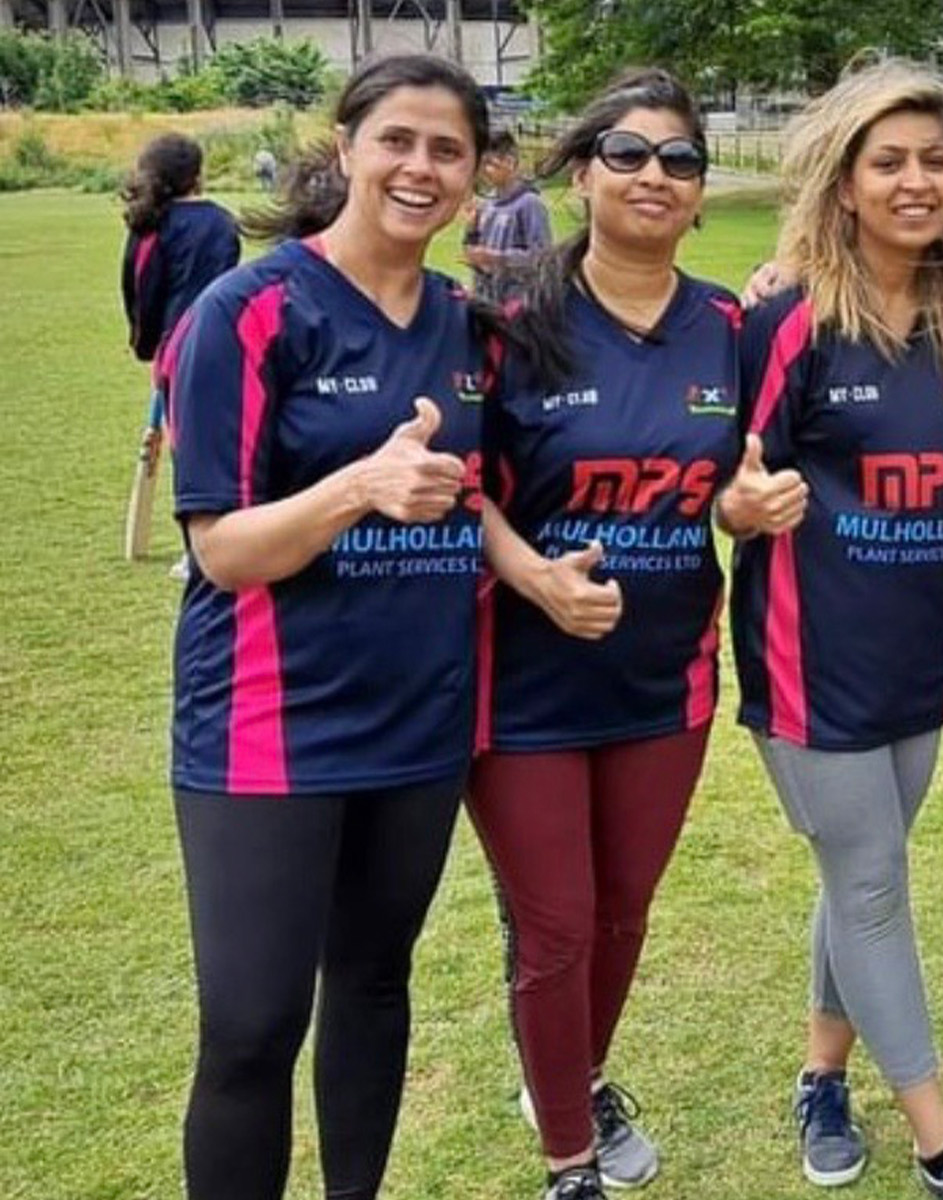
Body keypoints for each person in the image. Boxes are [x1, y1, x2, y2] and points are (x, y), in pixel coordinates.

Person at [160, 54, 491, 1200]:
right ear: (345, 146)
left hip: (421, 725)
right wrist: (357, 487)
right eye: (397, 139)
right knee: (251, 1026)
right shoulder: (248, 312)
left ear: (474, 174)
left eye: (447, 149)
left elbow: (485, 492)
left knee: (373, 985)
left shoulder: (466, 323)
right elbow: (221, 549)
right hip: (268, 728)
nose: (420, 167)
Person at [721, 59, 943, 1200]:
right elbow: (730, 486)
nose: (916, 182)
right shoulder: (791, 319)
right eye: (887, 163)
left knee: (857, 874)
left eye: (935, 162)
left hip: (921, 660)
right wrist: (740, 506)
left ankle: (821, 1075)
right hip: (811, 663)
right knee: (870, 886)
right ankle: (942, 1144)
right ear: (844, 184)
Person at [469, 69, 738, 1200]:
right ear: (581, 173)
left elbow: (763, 469)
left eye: (678, 160)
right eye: (627, 154)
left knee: (623, 912)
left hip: (665, 678)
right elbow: (454, 484)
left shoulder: (733, 324)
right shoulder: (507, 318)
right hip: (521, 681)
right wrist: (533, 574)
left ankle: (576, 1076)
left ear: (699, 191)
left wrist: (747, 506)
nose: (653, 177)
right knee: (559, 926)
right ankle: (569, 1160)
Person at [121, 132, 240, 365]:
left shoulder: (150, 224)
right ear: (198, 176)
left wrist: (144, 343)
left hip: (175, 349)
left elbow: (141, 287)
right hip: (221, 340)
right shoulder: (223, 222)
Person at [466, 129, 554, 304]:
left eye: (490, 164)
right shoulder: (487, 203)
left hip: (517, 306)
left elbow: (542, 257)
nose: (484, 171)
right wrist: (471, 229)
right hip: (486, 301)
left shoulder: (530, 204)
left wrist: (497, 258)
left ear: (510, 162)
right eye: (481, 164)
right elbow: (473, 254)